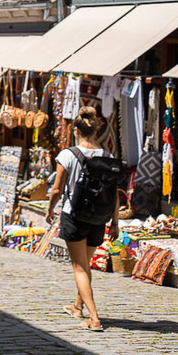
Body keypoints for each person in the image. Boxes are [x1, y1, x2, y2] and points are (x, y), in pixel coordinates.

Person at [45, 106, 119, 333]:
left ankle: (94, 318)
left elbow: (57, 189)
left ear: (75, 130)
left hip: (74, 215)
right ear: (95, 130)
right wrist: (115, 222)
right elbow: (114, 193)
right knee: (85, 266)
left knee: (79, 268)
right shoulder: (108, 156)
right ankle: (77, 306)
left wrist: (50, 210)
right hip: (98, 218)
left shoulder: (67, 155)